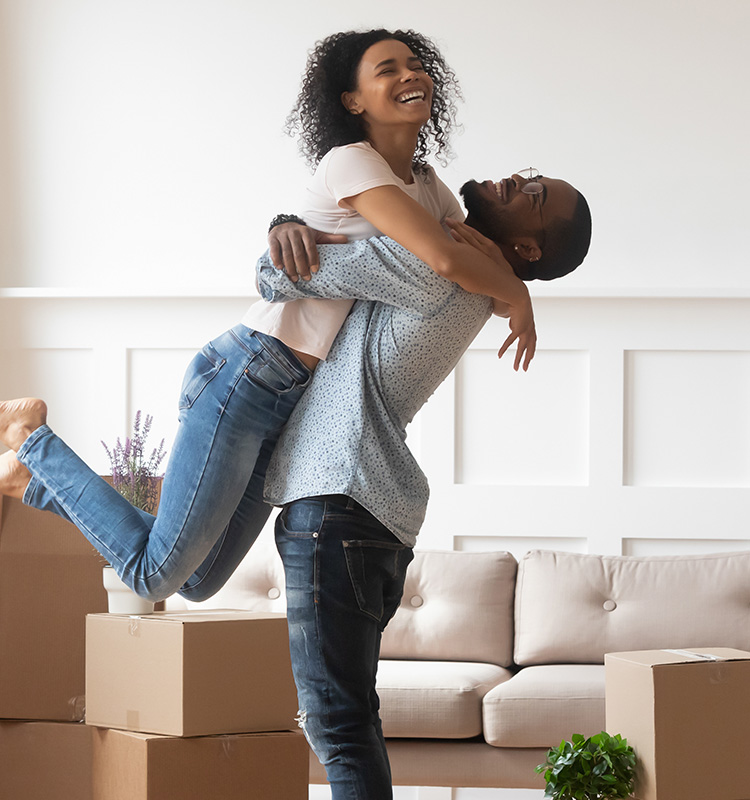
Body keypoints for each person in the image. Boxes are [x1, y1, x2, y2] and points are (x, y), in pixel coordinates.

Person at [0, 28, 535, 604]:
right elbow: (447, 259)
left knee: (200, 582)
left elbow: (472, 279)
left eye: (414, 64)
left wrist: (509, 291)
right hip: (250, 373)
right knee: (155, 575)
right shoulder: (352, 162)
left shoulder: (432, 191)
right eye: (387, 69)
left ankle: (26, 478)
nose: (410, 75)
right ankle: (30, 439)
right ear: (352, 101)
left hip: (292, 402)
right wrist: (522, 298)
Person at [253, 169, 591, 800]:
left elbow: (276, 275)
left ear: (528, 249)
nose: (518, 178)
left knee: (339, 724)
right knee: (349, 721)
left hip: (338, 500)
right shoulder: (459, 268)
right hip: (367, 513)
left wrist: (286, 230)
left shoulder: (436, 262)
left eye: (534, 195)